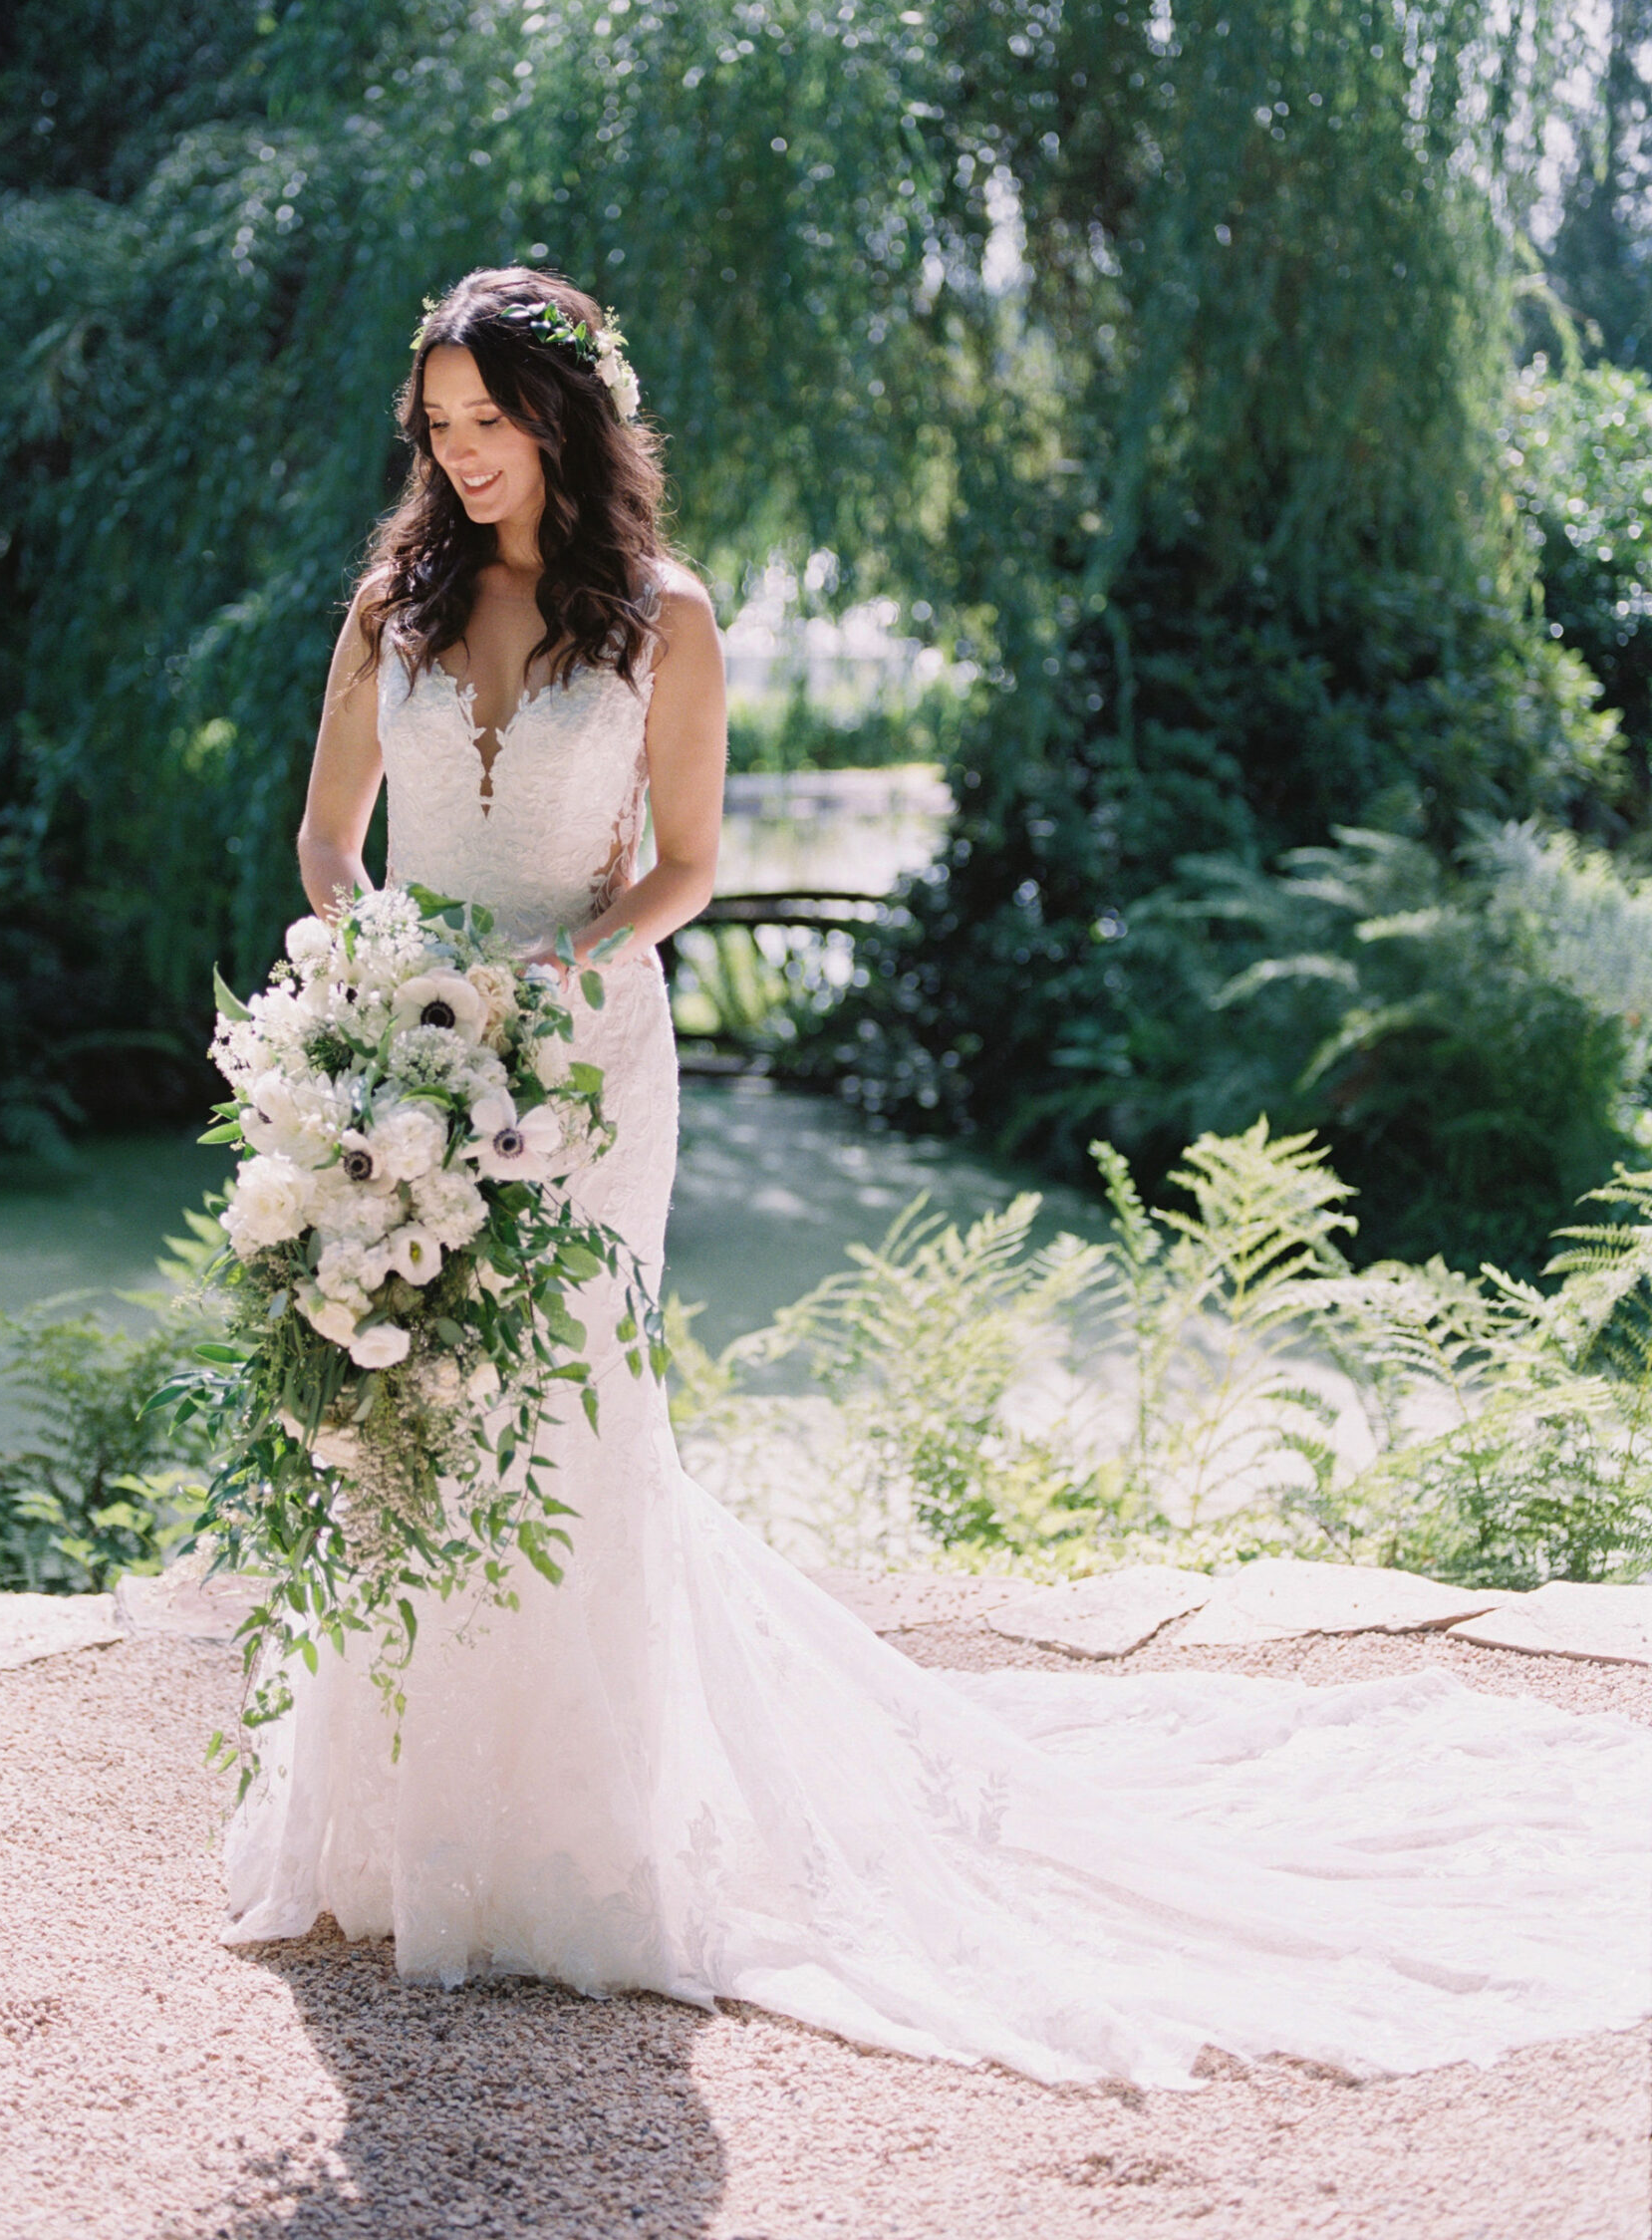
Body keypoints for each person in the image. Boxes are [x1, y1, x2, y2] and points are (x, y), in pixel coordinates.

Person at [223, 264, 1651, 2087]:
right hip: (407, 1064)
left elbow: (684, 869)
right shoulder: (388, 613)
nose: (461, 455)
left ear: (568, 423)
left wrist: (559, 978)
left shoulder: (665, 616)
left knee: (570, 1406)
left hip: (586, 1066)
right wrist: (378, 989)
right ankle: (398, 1841)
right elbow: (326, 839)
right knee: (408, 1395)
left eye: (490, 422)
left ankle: (574, 1854)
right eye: (437, 427)